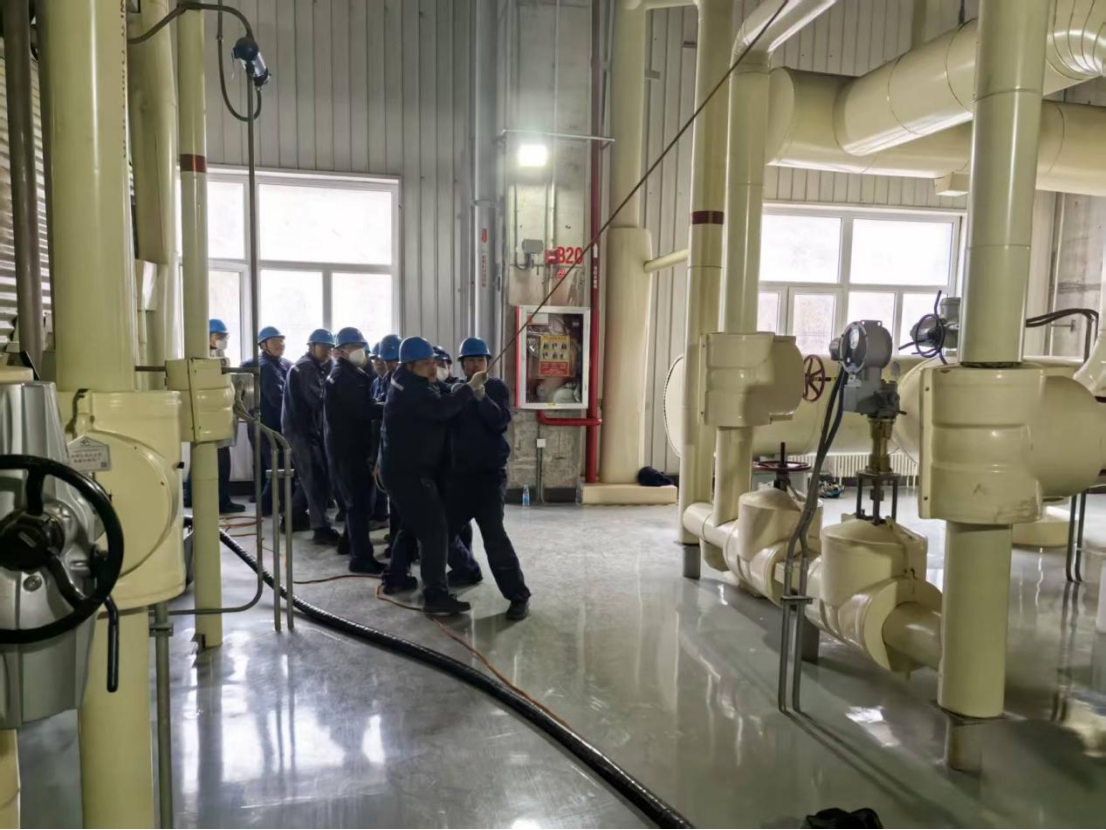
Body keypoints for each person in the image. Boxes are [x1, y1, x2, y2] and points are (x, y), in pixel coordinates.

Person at [380, 336, 486, 615]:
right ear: (410, 364)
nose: (432, 368)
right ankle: (435, 593)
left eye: (434, 363)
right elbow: (441, 409)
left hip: (403, 470)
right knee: (435, 530)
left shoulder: (405, 378)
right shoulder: (411, 391)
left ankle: (397, 576)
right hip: (410, 474)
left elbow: (438, 391)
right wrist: (469, 389)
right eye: (426, 364)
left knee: (412, 524)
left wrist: (454, 387)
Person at [447, 337, 531, 620]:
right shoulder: (456, 390)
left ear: (487, 363)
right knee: (441, 532)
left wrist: (481, 396)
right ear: (462, 365)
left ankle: (519, 596)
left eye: (479, 360)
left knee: (494, 537)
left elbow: (500, 422)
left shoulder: (495, 388)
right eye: (469, 361)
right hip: (460, 477)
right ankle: (467, 569)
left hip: (489, 477)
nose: (474, 365)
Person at [325, 327, 385, 574]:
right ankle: (361, 558)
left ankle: (347, 542)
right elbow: (363, 410)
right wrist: (391, 407)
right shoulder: (345, 377)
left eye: (360, 346)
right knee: (360, 504)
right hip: (350, 449)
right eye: (353, 347)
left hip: (343, 446)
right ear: (340, 351)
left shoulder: (344, 372)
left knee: (354, 502)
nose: (359, 351)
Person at [283, 329, 340, 545]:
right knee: (314, 478)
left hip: (311, 429)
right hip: (299, 431)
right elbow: (317, 399)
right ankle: (320, 528)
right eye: (324, 347)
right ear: (312, 346)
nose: (327, 352)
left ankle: (293, 518)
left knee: (311, 476)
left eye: (330, 348)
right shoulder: (305, 367)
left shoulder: (323, 365)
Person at [184, 319, 246, 514]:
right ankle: (220, 501)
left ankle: (193, 496)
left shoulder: (218, 357)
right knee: (219, 462)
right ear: (208, 337)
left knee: (206, 459)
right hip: (211, 416)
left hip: (216, 415)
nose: (223, 340)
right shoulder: (204, 360)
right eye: (219, 336)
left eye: (225, 336)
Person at [242, 326, 296, 519]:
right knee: (277, 464)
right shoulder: (265, 367)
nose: (280, 344)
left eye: (281, 341)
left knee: (270, 464)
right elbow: (277, 398)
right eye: (274, 341)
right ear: (263, 345)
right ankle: (272, 506)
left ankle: (267, 504)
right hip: (266, 424)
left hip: (265, 423)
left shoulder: (282, 364)